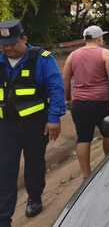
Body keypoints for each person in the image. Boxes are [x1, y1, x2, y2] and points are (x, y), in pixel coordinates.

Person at [0, 20, 66, 226]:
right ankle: (4, 217)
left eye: (12, 43)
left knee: (34, 164)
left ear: (24, 39)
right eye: (4, 45)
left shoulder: (42, 59)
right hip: (6, 125)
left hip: (35, 124)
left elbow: (56, 90)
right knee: (5, 168)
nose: (8, 48)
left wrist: (54, 119)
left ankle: (34, 198)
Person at [62, 26, 109, 179]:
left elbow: (65, 78)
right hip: (102, 101)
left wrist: (68, 99)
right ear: (99, 39)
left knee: (83, 137)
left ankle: (86, 174)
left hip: (80, 103)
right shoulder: (105, 54)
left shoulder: (73, 55)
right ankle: (108, 166)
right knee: (108, 134)